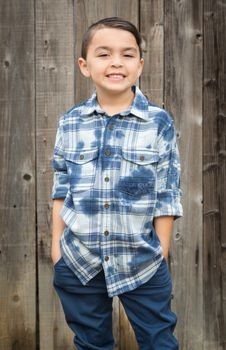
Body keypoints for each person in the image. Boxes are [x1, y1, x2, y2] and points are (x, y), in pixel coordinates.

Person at [51, 17, 183, 350]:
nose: (115, 63)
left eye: (127, 54)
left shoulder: (158, 123)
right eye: (104, 54)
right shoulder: (70, 123)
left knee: (159, 341)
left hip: (141, 261)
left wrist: (161, 252)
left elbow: (167, 192)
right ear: (85, 65)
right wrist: (57, 251)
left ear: (140, 64)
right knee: (91, 343)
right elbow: (61, 189)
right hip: (80, 261)